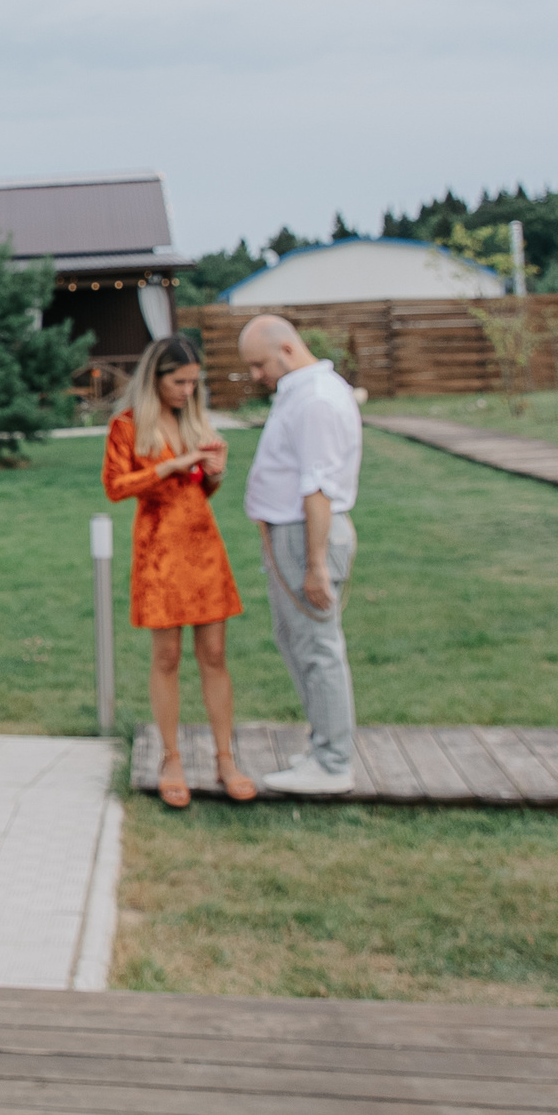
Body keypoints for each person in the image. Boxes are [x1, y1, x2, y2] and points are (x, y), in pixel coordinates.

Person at [102, 336, 251, 807]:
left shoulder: (194, 420)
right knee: (167, 657)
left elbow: (199, 493)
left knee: (214, 654)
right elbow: (115, 487)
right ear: (156, 378)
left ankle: (225, 757)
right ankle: (171, 757)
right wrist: (171, 466)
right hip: (158, 553)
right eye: (179, 382)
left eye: (193, 382)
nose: (188, 391)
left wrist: (213, 472)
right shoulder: (126, 426)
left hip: (203, 548)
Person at [238, 313, 363, 796]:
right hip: (289, 535)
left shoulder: (315, 400)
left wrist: (314, 564)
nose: (255, 376)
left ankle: (333, 763)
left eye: (258, 364)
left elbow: (318, 488)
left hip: (306, 537)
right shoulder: (300, 392)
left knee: (318, 648)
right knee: (298, 643)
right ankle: (322, 744)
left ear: (287, 350)